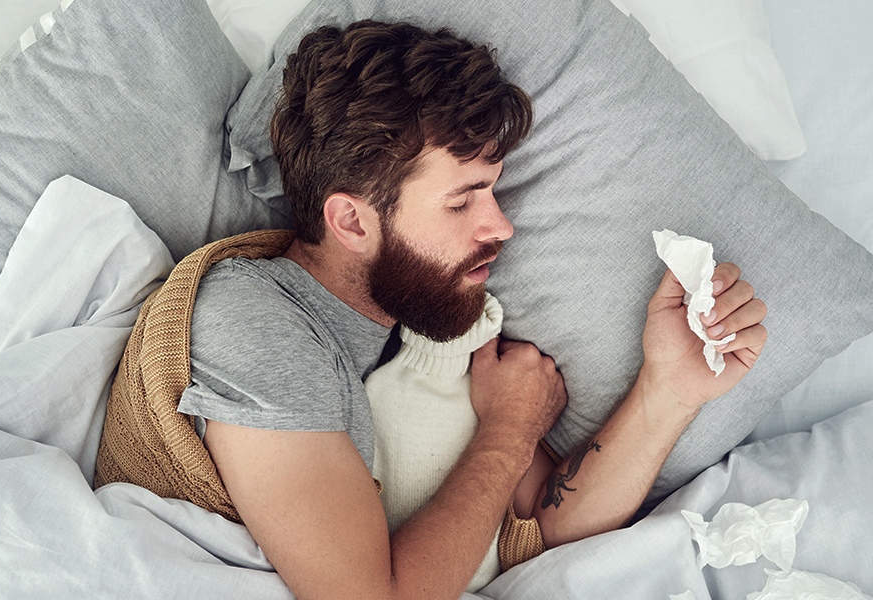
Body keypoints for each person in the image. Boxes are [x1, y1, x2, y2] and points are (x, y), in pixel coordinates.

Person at [175, 19, 767, 600]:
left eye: (493, 189)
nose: (502, 226)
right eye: (462, 202)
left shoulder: (436, 325)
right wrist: (510, 428)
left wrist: (669, 390)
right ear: (352, 221)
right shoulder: (254, 318)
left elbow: (543, 526)